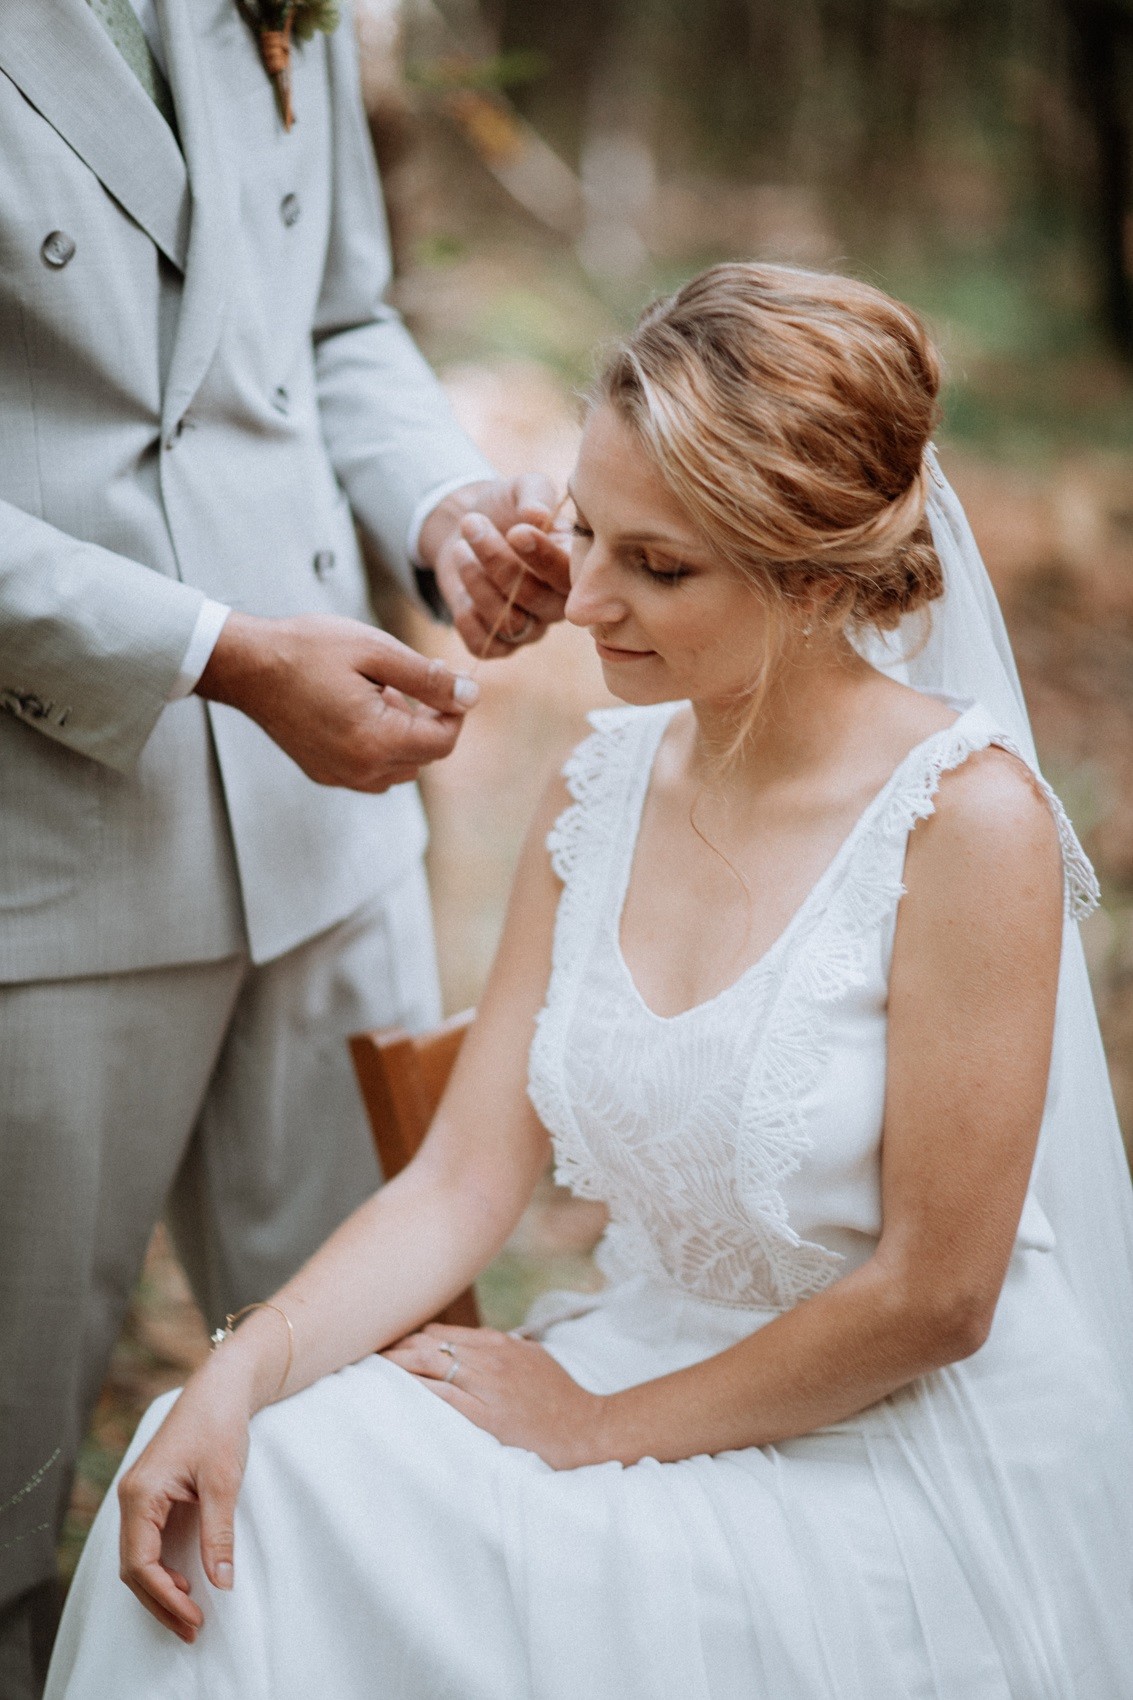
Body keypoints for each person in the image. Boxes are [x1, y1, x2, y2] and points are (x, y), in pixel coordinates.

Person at [45, 264, 1133, 1700]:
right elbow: (457, 1186)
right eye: (582, 532)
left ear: (814, 573)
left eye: (658, 566)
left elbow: (934, 1299)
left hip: (879, 1450)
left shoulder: (963, 822)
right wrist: (240, 1372)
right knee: (231, 1472)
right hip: (622, 1359)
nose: (584, 599)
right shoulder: (605, 780)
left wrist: (589, 1430)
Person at [0, 3, 569, 1693]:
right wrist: (216, 655)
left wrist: (439, 508)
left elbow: (335, 319)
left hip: (329, 831)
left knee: (395, 1413)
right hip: (46, 858)